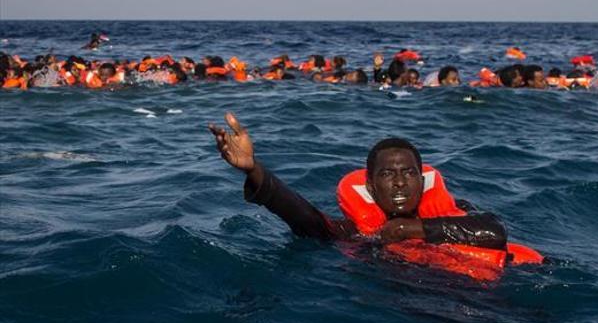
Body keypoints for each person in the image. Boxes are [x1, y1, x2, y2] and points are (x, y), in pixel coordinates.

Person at [208, 113, 541, 279]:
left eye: (408, 173)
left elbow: (495, 233)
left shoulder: (453, 213)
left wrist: (417, 230)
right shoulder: (356, 234)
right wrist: (253, 170)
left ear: (422, 180)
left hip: (498, 296)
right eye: (387, 174)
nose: (399, 183)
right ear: (370, 187)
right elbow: (303, 217)